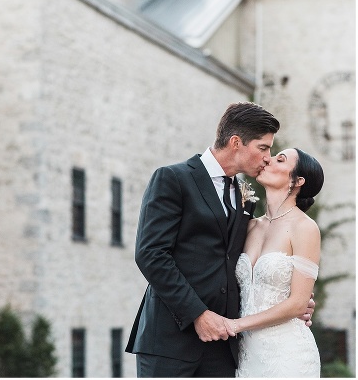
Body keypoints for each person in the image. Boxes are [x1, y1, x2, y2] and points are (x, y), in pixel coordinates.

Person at [126, 102, 314, 377]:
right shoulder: (173, 179)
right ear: (236, 142)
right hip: (169, 343)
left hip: (225, 349)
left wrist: (296, 299)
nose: (267, 157)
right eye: (263, 148)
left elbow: (246, 260)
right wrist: (198, 315)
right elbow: (151, 254)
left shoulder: (244, 195)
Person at [227, 147, 323, 377]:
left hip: (288, 355)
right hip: (245, 355)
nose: (268, 160)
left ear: (298, 180)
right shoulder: (249, 225)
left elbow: (299, 303)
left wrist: (236, 325)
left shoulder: (305, 227)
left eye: (280, 159)